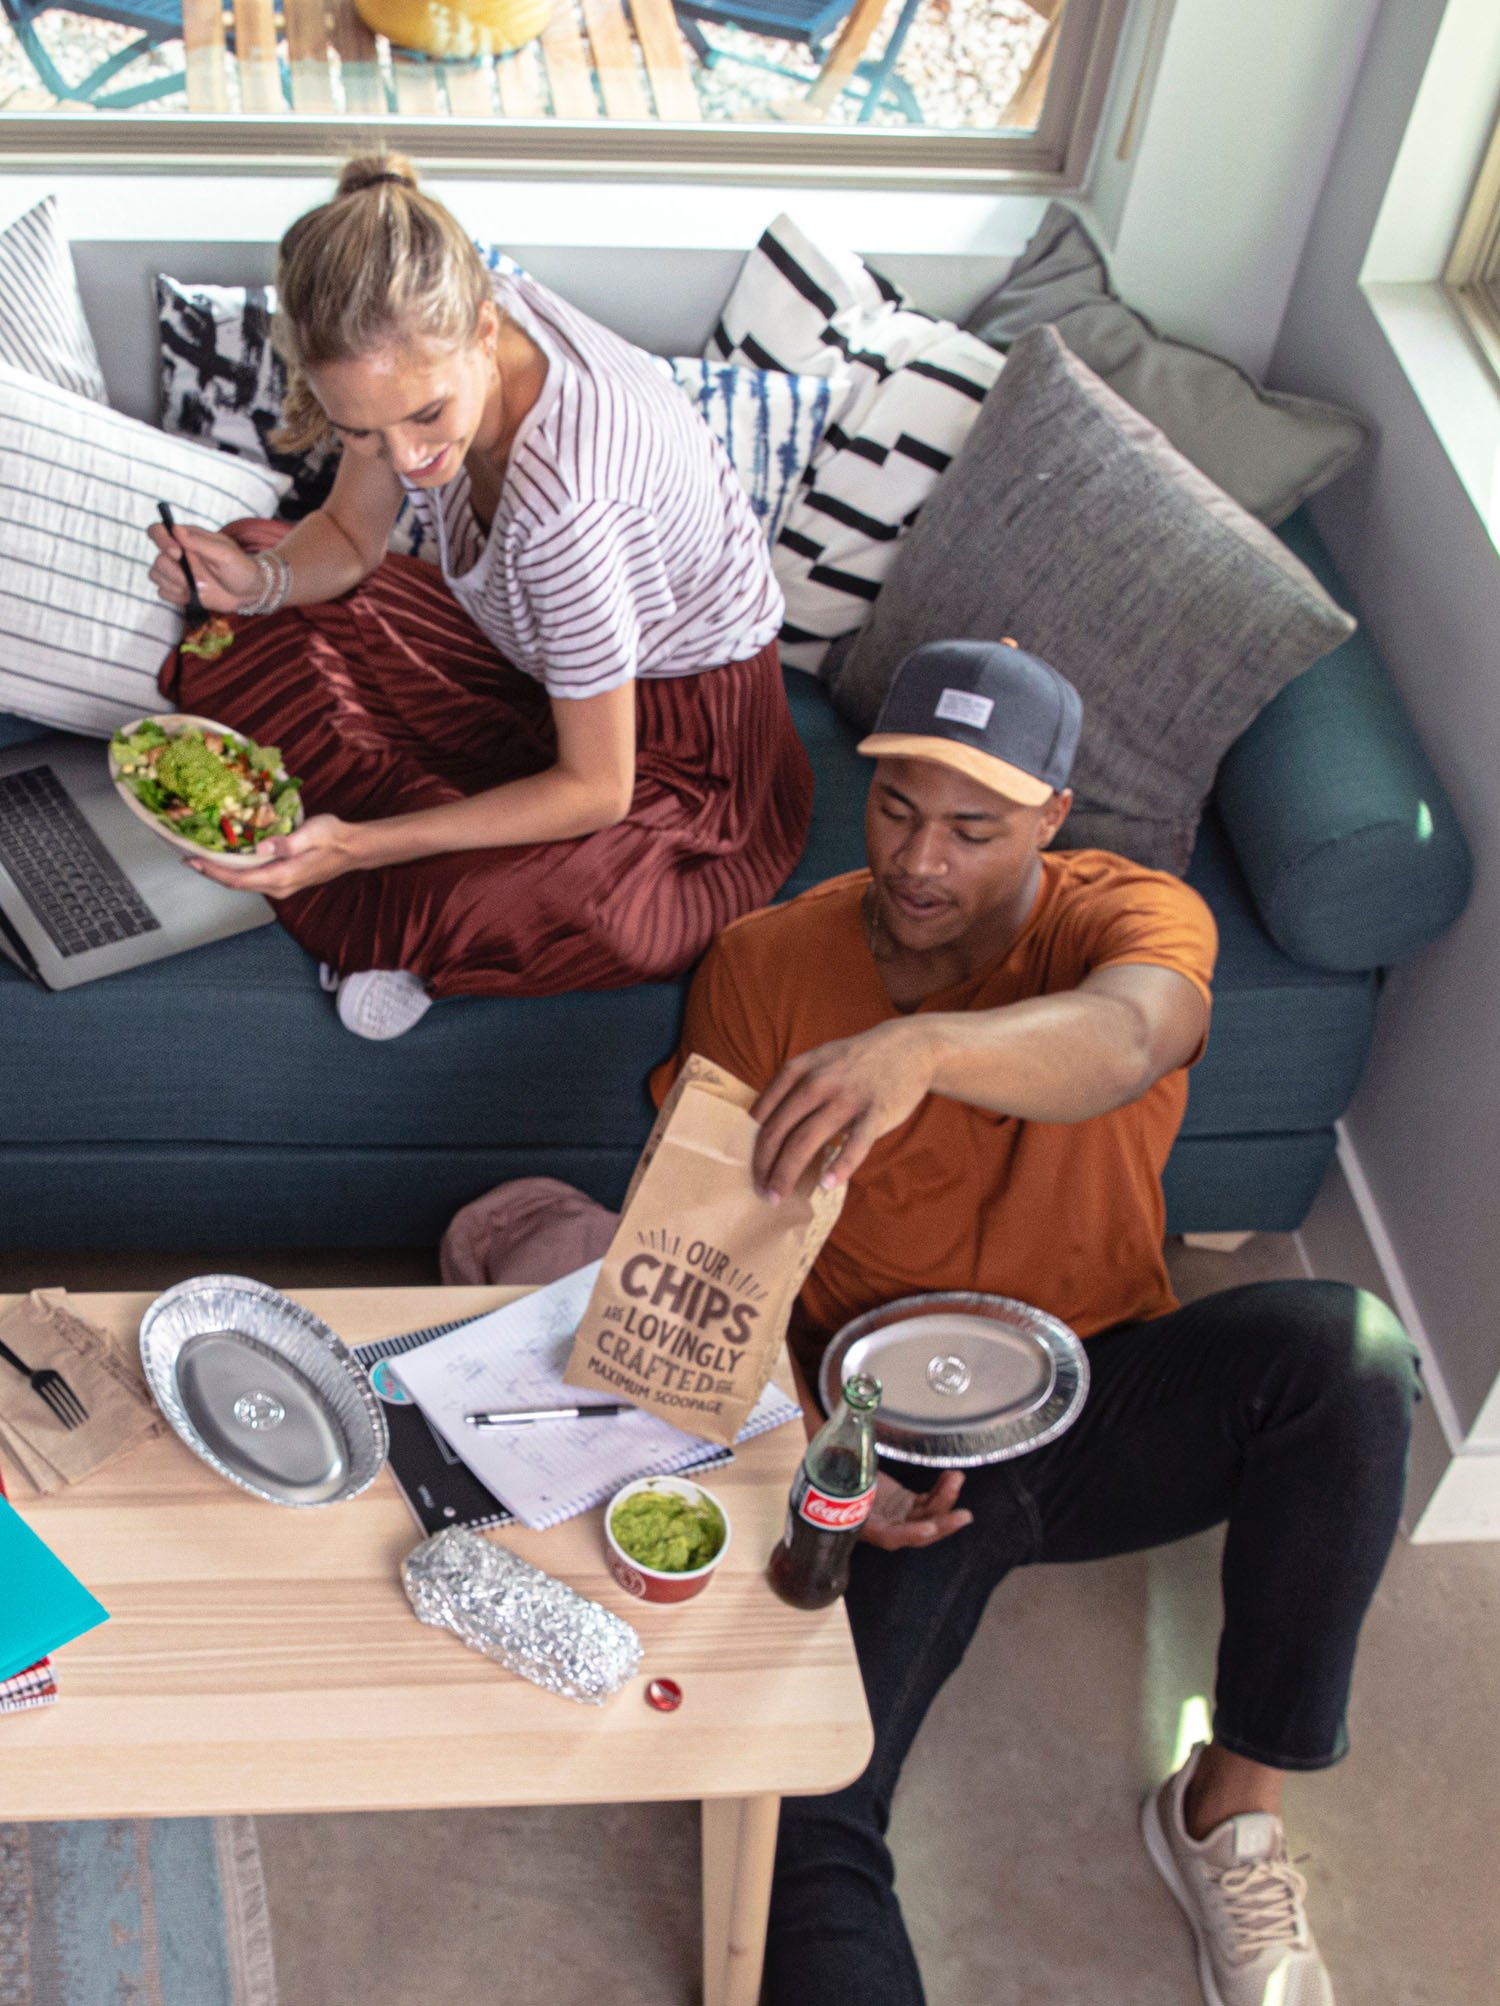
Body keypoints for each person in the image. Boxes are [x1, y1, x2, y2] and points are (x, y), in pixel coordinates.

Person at [443, 636, 1418, 2006]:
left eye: (974, 826)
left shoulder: (1127, 920)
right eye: (898, 805)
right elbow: (710, 1255)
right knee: (804, 1811)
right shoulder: (765, 963)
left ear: (1052, 820)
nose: (920, 858)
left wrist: (923, 1051)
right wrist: (811, 1464)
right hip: (872, 1438)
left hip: (1098, 1389)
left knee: (1349, 1355)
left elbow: (1128, 1036)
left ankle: (1224, 1806)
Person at [146, 154, 809, 1040]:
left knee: (559, 905)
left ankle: (395, 911)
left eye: (425, 417)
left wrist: (357, 847)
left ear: (485, 330)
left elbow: (596, 790)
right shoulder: (428, 316)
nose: (407, 457)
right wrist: (258, 583)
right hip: (535, 657)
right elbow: (347, 537)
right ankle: (387, 824)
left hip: (679, 751)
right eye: (361, 430)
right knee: (261, 548)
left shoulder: (570, 506)